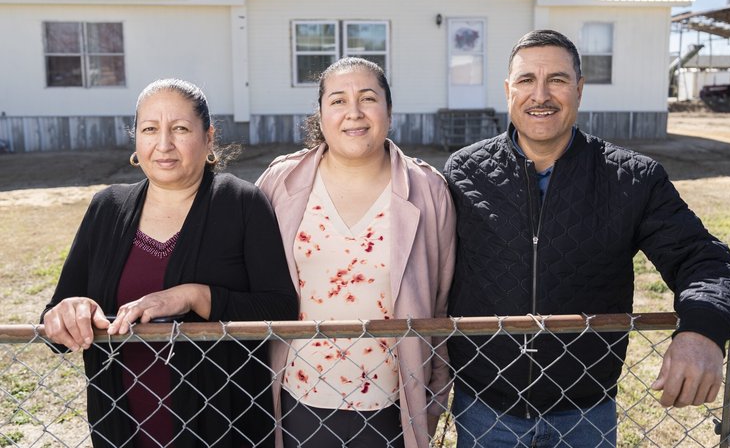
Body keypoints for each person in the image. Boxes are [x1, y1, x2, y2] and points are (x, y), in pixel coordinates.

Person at [444, 30, 730, 447]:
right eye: (526, 80)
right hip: (484, 408)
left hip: (585, 411)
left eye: (557, 79)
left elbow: (708, 263)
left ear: (579, 89)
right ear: (507, 90)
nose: (541, 95)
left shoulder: (633, 178)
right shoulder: (464, 173)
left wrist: (702, 332)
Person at [42, 78, 297, 448]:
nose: (163, 144)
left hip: (223, 427)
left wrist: (195, 297)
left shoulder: (242, 203)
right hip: (121, 427)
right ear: (136, 140)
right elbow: (55, 322)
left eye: (180, 129)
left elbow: (282, 308)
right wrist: (69, 311)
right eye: (149, 129)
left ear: (209, 138)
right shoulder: (107, 207)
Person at [256, 57, 455, 448]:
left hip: (394, 406)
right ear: (320, 112)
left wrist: (433, 397)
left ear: (389, 111)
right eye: (338, 101)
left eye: (368, 98)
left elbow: (443, 299)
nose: (354, 113)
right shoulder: (281, 182)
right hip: (297, 399)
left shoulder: (429, 190)